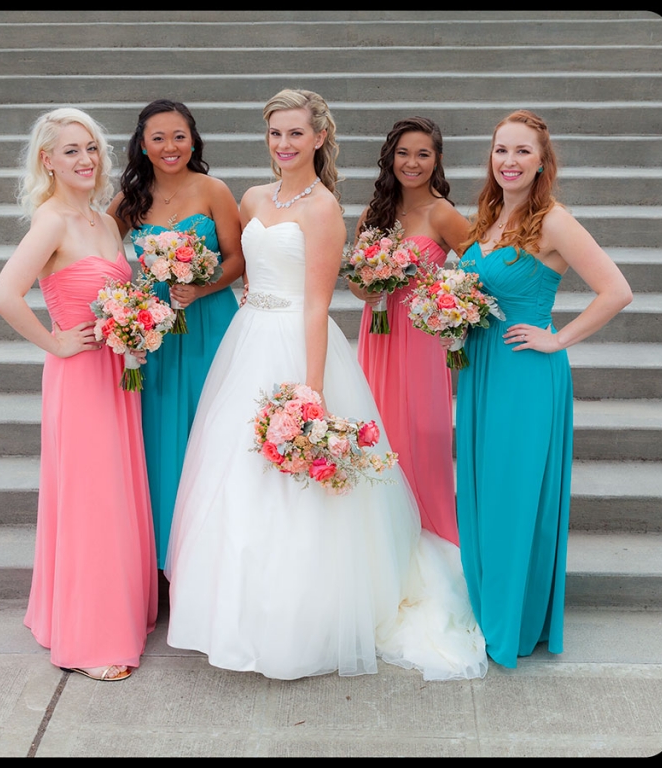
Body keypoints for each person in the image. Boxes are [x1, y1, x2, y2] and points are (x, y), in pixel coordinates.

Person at [164, 88, 487, 681]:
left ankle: (300, 621)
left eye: (294, 134)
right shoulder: (253, 197)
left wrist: (310, 392)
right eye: (274, 134)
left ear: (318, 138)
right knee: (232, 474)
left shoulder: (323, 210)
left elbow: (316, 307)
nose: (283, 145)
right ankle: (232, 616)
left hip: (296, 342)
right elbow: (242, 268)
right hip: (247, 339)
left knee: (296, 484)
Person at [454, 109, 633, 668]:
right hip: (482, 370)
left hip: (525, 374)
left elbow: (616, 290)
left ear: (541, 161)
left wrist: (559, 340)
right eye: (501, 150)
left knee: (512, 494)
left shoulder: (552, 219)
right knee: (484, 493)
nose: (509, 161)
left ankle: (513, 622)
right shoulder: (488, 216)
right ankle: (493, 610)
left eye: (522, 152)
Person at [0, 107, 158, 681]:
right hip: (79, 379)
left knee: (113, 491)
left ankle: (109, 612)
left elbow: (118, 294)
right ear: (48, 161)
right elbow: (5, 295)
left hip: (118, 377)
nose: (85, 159)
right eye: (70, 151)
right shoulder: (52, 221)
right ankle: (89, 641)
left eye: (90, 148)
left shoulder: (104, 222)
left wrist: (139, 328)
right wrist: (53, 343)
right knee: (91, 498)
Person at [107, 99, 244, 571]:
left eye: (179, 137)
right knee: (163, 437)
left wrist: (202, 285)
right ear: (142, 145)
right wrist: (125, 303)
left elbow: (237, 259)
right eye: (159, 138)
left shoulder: (213, 190)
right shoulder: (130, 200)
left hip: (210, 324)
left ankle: (212, 563)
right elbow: (100, 250)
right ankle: (166, 561)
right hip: (158, 332)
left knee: (212, 432)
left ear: (193, 141)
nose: (170, 147)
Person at [347, 117, 470, 546]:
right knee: (380, 430)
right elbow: (355, 284)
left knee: (420, 434)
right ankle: (383, 540)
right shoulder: (373, 214)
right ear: (389, 158)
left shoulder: (443, 213)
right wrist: (372, 280)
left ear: (437, 160)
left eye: (422, 154)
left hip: (419, 337)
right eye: (403, 153)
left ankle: (431, 532)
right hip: (378, 332)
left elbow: (479, 272)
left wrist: (446, 301)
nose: (411, 163)